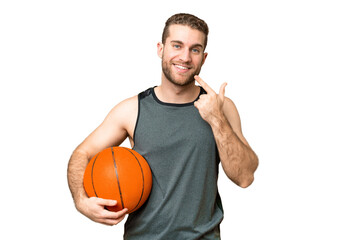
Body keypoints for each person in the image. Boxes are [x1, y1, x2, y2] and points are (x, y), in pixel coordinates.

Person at [67, 13, 258, 239]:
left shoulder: (222, 108)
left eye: (195, 50)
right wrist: (81, 199)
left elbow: (244, 177)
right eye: (177, 45)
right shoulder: (132, 110)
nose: (185, 57)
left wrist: (216, 119)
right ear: (161, 49)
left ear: (204, 58)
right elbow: (83, 153)